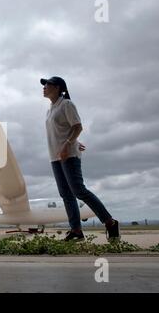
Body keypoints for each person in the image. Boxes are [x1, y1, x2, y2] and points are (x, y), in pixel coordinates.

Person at [41, 76, 120, 241]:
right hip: (55, 157)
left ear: (58, 88)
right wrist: (74, 141)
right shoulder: (50, 110)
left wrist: (69, 144)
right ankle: (76, 231)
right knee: (66, 195)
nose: (44, 87)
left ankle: (110, 222)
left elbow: (78, 126)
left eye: (47, 84)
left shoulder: (66, 104)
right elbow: (63, 130)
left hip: (68, 155)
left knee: (78, 191)